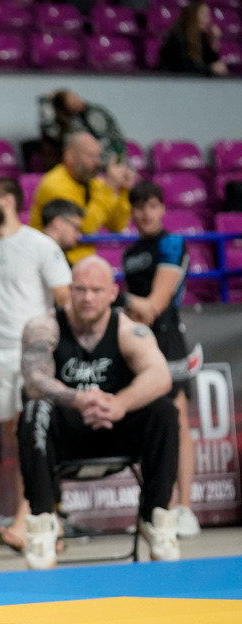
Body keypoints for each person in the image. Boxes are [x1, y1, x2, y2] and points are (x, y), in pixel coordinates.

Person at [18, 256, 180, 569]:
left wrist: (119, 403)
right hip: (66, 434)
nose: (87, 297)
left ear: (112, 292)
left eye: (96, 290)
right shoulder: (44, 326)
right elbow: (34, 381)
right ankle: (42, 522)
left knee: (164, 411)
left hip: (116, 429)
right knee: (34, 408)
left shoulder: (129, 330)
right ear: (69, 291)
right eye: (79, 289)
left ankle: (156, 517)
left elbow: (160, 375)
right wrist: (78, 399)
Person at [0, 177, 71, 551]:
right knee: (16, 442)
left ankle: (29, 520)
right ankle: (48, 520)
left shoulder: (40, 244)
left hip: (35, 358)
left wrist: (60, 349)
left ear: (8, 200)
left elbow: (64, 299)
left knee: (32, 436)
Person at [122, 181, 200, 539]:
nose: (146, 213)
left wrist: (117, 298)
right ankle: (161, 506)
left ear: (162, 209)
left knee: (178, 418)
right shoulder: (131, 253)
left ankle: (185, 508)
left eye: (152, 205)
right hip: (138, 343)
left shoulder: (172, 244)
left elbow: (154, 305)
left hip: (168, 339)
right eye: (139, 206)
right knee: (154, 424)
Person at [30, 132, 136, 265]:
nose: (97, 162)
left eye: (98, 156)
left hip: (83, 264)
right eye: (90, 156)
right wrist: (109, 189)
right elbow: (85, 227)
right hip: (52, 261)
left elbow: (117, 226)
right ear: (69, 156)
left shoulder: (94, 183)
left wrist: (122, 191)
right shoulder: (54, 184)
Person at [38, 90, 126, 169]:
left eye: (75, 96)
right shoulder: (69, 124)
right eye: (70, 99)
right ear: (65, 106)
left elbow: (116, 137)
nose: (76, 100)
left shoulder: (96, 111)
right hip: (86, 168)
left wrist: (117, 160)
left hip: (112, 162)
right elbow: (48, 127)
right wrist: (46, 101)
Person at [158, 0, 229, 76]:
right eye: (204, 15)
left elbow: (211, 62)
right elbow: (185, 68)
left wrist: (215, 40)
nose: (208, 20)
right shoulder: (177, 37)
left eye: (208, 15)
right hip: (169, 82)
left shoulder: (201, 37)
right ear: (193, 16)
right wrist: (210, 70)